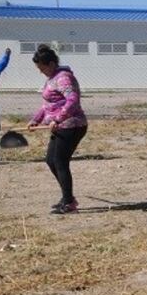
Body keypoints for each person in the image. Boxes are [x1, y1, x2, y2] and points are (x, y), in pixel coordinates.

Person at [28, 44, 88, 214]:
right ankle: (68, 197)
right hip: (59, 126)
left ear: (52, 64)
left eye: (42, 67)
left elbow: (73, 100)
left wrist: (58, 118)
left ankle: (69, 202)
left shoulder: (63, 78)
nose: (40, 71)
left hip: (72, 125)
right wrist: (36, 120)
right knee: (51, 160)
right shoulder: (52, 78)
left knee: (60, 161)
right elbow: (47, 104)